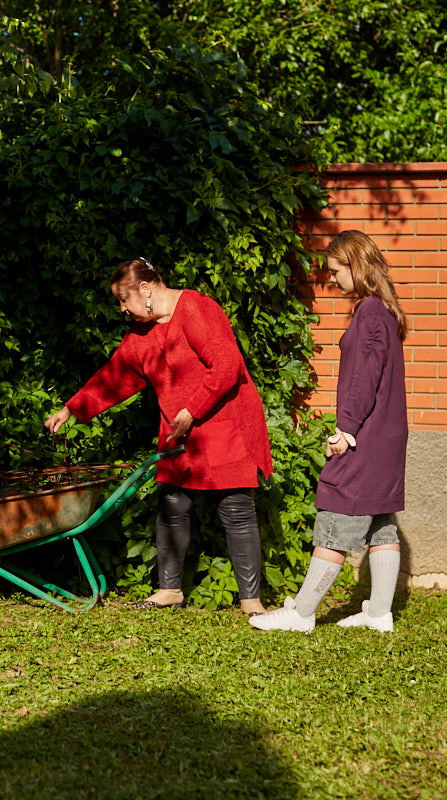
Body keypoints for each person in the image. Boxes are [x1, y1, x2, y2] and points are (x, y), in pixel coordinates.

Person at [44, 257, 273, 615]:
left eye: (124, 299)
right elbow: (114, 377)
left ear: (146, 290)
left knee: (235, 508)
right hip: (180, 428)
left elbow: (227, 365)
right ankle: (170, 591)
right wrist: (72, 409)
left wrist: (192, 409)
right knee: (171, 504)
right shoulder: (142, 335)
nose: (122, 309)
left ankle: (252, 602)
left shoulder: (196, 308)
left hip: (224, 421)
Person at [250, 230, 409, 634]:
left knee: (336, 512)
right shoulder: (383, 310)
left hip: (367, 435)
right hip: (387, 436)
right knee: (380, 523)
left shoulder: (370, 311)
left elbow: (363, 377)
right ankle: (379, 613)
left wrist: (346, 430)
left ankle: (302, 613)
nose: (332, 278)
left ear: (357, 266)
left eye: (337, 270)